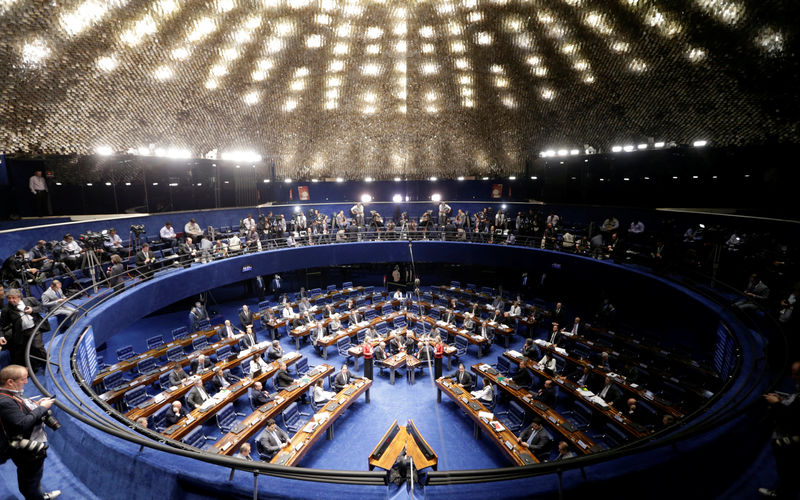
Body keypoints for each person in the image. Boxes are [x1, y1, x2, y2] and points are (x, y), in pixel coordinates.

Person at [0, 365, 61, 500]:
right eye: (23, 379)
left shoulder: (9, 394)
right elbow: (21, 425)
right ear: (10, 381)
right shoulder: (5, 401)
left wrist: (35, 406)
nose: (27, 382)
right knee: (31, 481)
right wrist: (41, 409)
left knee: (28, 478)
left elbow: (16, 413)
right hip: (27, 450)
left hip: (20, 446)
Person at [759, 361, 800, 499]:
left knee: (787, 469)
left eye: (796, 374)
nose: (793, 377)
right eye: (793, 373)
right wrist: (782, 401)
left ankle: (784, 494)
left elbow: (791, 419)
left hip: (793, 441)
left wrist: (776, 404)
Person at [1, 288, 49, 372]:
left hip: (34, 328)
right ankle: (34, 368)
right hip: (20, 333)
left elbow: (41, 307)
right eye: (9, 298)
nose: (11, 300)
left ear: (19, 297)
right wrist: (1, 336)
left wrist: (32, 310)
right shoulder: (6, 310)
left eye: (13, 297)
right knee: (28, 351)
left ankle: (48, 365)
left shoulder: (30, 300)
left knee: (38, 347)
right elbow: (2, 325)